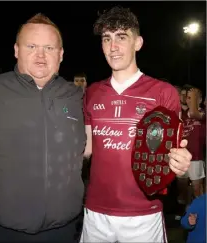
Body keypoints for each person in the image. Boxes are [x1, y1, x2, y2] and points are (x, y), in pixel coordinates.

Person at [81, 6, 192, 242]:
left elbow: (173, 150)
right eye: (106, 39)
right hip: (96, 213)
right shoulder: (91, 93)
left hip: (143, 214)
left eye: (122, 37)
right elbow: (87, 149)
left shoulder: (163, 92)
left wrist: (180, 162)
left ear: (138, 43)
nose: (113, 47)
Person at [0, 13, 86, 243]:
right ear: (16, 50)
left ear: (61, 54)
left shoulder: (75, 97)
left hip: (63, 232)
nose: (41, 56)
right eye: (31, 46)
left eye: (49, 48)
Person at [179, 87, 206, 198]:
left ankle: (199, 211)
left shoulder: (202, 112)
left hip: (196, 156)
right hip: (182, 157)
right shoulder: (183, 114)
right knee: (182, 186)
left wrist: (193, 95)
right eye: (188, 98)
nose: (189, 99)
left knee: (197, 188)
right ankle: (185, 210)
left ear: (199, 100)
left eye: (191, 98)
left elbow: (195, 113)